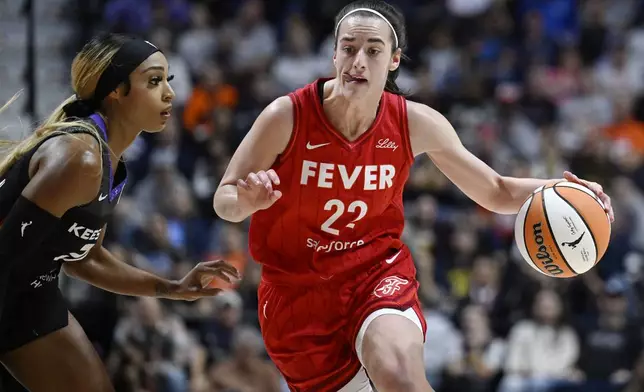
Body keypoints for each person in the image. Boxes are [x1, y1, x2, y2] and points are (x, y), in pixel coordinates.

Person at [213, 1, 614, 391]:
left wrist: (569, 193)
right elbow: (224, 199)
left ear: (393, 60)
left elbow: (495, 190)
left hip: (375, 272)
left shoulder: (414, 122)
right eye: (349, 49)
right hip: (296, 295)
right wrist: (246, 202)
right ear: (333, 55)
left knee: (400, 376)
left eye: (373, 51)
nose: (359, 62)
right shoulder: (286, 116)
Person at [0, 33, 239, 392]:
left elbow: (85, 259)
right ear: (116, 90)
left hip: (30, 290)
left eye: (167, 82)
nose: (170, 94)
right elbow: (4, 258)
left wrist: (169, 288)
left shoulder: (110, 162)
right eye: (154, 81)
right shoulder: (80, 158)